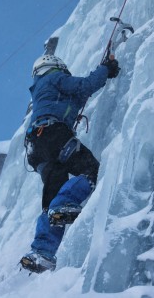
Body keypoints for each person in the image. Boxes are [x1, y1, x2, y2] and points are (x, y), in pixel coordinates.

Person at [20, 54, 120, 273]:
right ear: (54, 66)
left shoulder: (41, 90)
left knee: (52, 200)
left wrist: (101, 74)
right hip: (53, 134)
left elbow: (80, 94)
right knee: (92, 170)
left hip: (36, 149)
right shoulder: (54, 77)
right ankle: (63, 204)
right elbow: (84, 84)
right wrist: (106, 68)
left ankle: (42, 251)